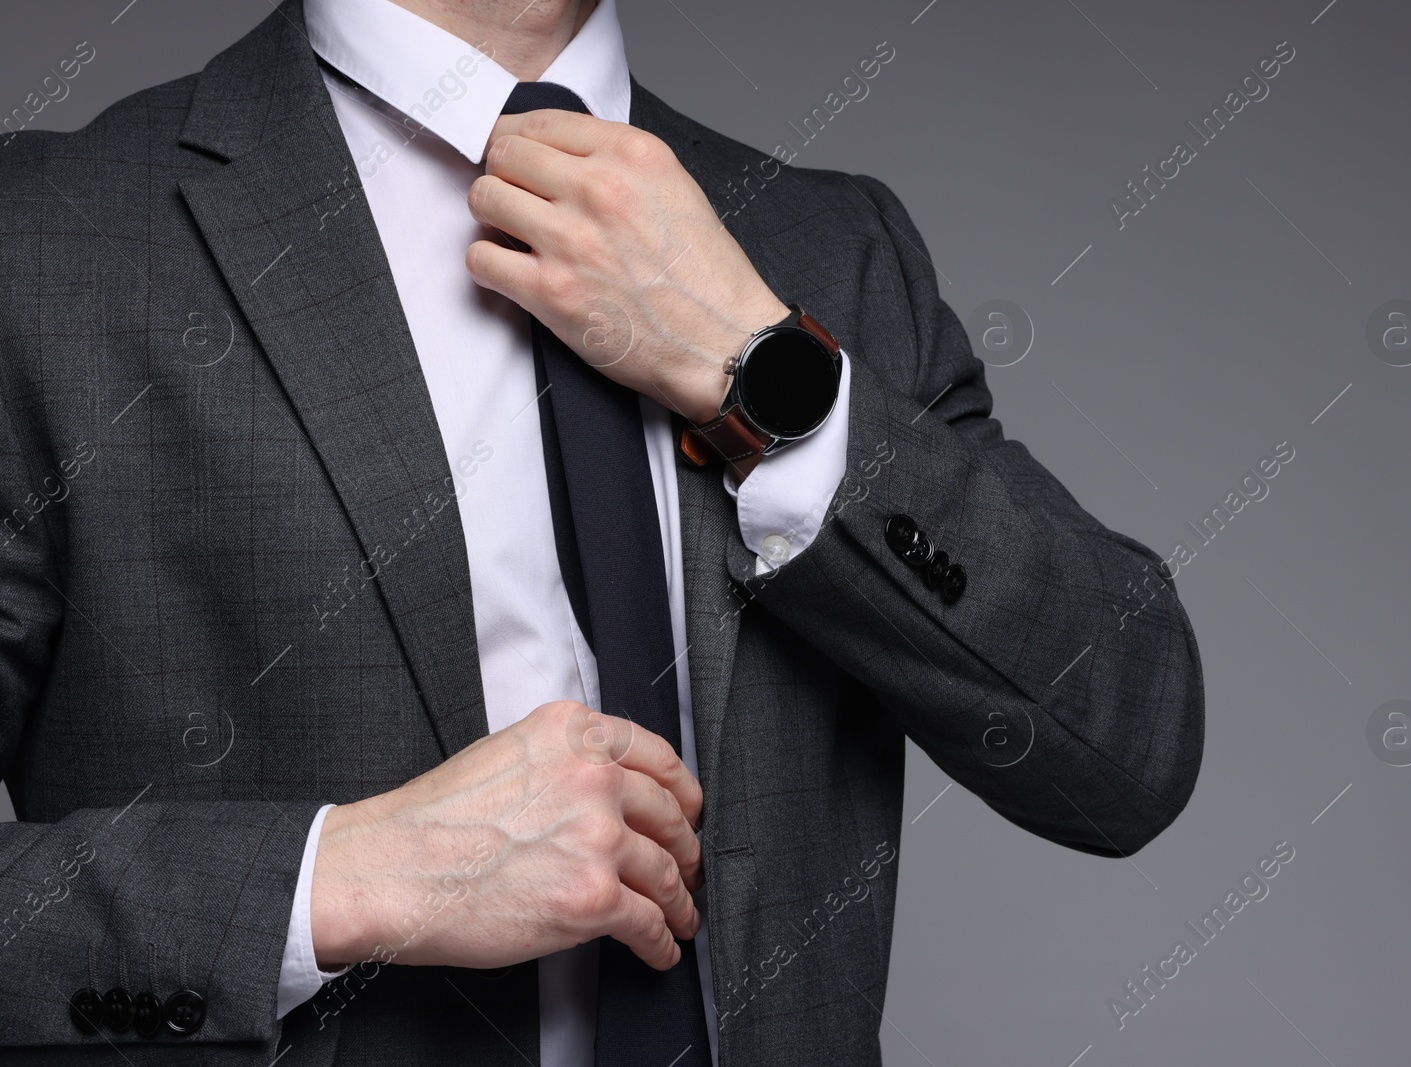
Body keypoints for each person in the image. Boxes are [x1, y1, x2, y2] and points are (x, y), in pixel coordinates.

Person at [0, 0, 1204, 1063]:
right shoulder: (47, 245)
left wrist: (767, 377)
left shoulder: (833, 247)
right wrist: (339, 880)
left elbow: (1122, 748)